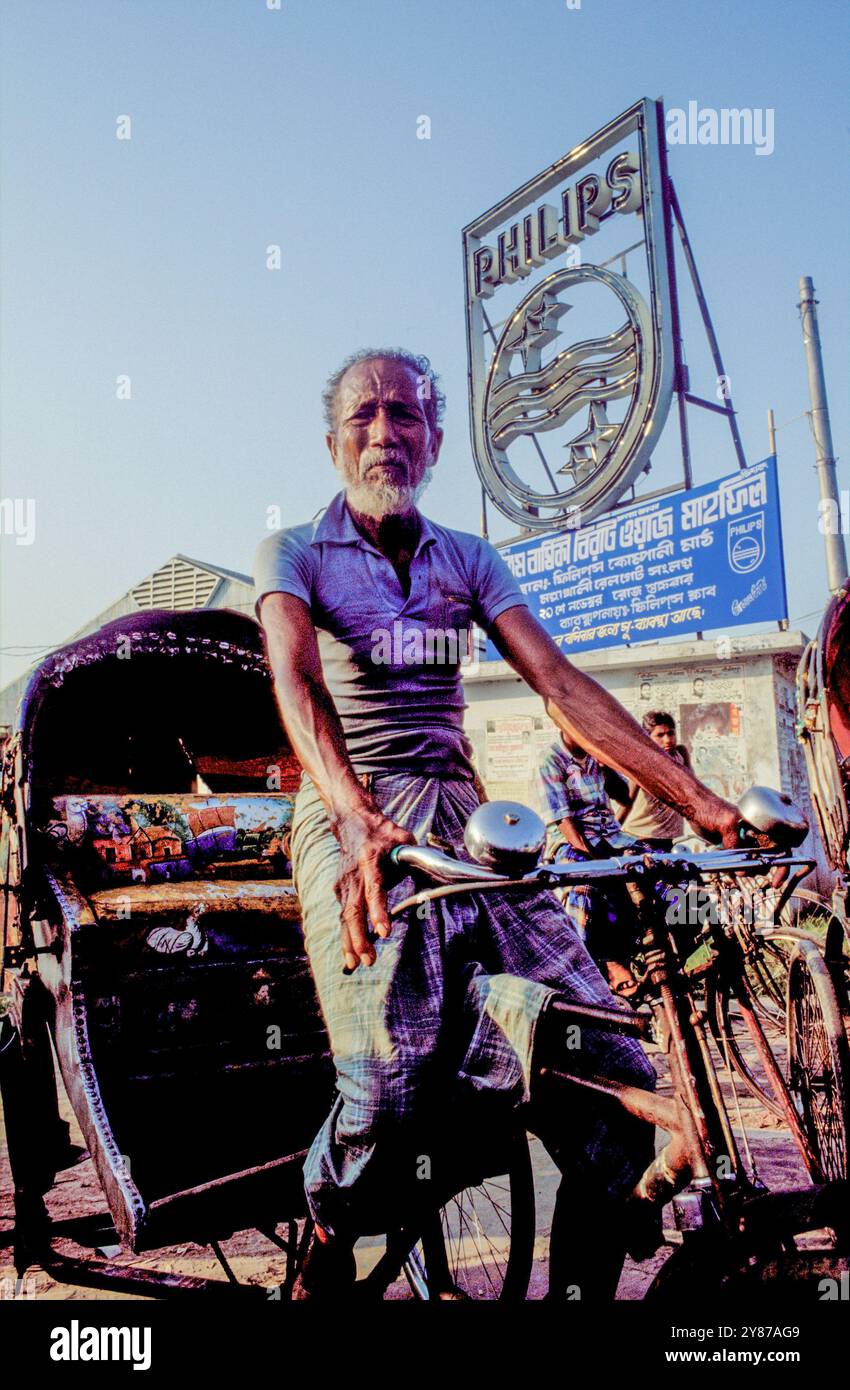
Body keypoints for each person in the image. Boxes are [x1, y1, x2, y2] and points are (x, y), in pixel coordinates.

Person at [254, 349, 742, 1300]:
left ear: (433, 442)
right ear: (332, 442)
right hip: (353, 812)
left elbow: (557, 685)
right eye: (363, 416)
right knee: (387, 1085)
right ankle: (325, 1219)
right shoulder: (294, 551)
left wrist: (696, 800)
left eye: (405, 415)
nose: (384, 432)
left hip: (467, 817)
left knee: (606, 1052)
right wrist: (355, 820)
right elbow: (295, 676)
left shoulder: (469, 557)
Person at [617, 711, 691, 850]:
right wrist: (609, 836)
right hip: (641, 839)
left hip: (668, 840)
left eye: (671, 733)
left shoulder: (680, 754)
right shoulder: (642, 762)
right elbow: (627, 802)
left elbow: (693, 792)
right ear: (647, 738)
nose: (668, 740)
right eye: (660, 735)